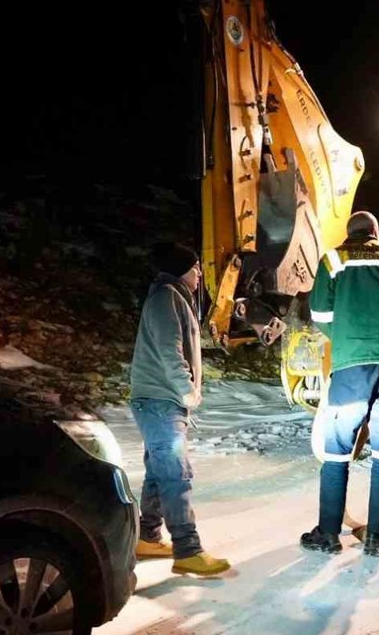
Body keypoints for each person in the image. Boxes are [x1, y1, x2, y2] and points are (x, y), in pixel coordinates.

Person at [300, 211, 379, 557]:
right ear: (376, 233)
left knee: (337, 451)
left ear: (350, 233)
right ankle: (378, 536)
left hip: (352, 367)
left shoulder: (334, 259)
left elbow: (320, 316)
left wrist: (349, 339)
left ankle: (328, 534)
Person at [128, 241, 231, 576]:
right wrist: (186, 391)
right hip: (160, 400)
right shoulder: (165, 298)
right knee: (176, 472)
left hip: (159, 399)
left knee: (159, 472)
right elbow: (170, 349)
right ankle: (187, 549)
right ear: (180, 268)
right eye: (196, 266)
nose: (201, 272)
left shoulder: (173, 297)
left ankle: (147, 536)